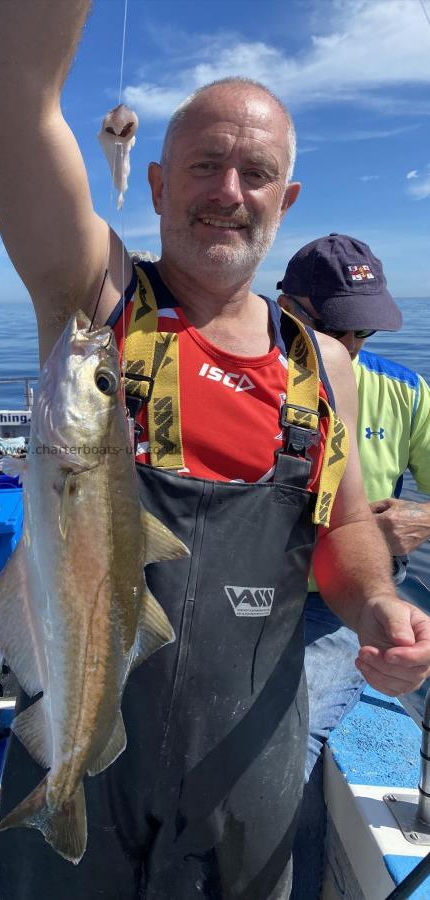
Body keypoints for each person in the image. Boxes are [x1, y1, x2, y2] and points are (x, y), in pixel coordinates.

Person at [0, 4, 430, 897]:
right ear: (155, 184)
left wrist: (375, 601)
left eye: (255, 172)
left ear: (284, 199)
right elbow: (9, 94)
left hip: (247, 762)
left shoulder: (320, 366)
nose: (229, 189)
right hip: (88, 747)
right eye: (204, 164)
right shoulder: (96, 300)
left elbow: (342, 527)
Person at [275, 234, 430, 899]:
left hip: (331, 606)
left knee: (287, 743)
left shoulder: (404, 390)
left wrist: (420, 520)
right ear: (285, 310)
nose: (349, 342)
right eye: (331, 326)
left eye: (361, 325)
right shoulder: (238, 382)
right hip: (228, 597)